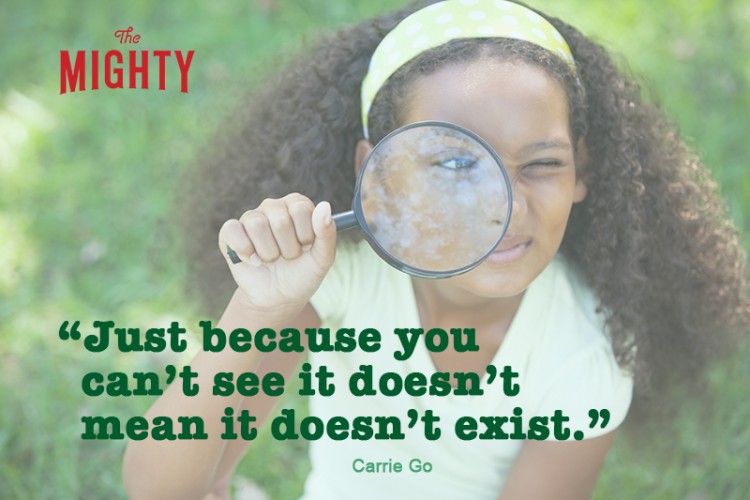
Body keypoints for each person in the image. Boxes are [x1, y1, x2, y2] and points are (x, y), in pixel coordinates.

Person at [122, 1, 750, 499]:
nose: (503, 206)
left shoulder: (583, 355)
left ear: (582, 171)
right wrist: (259, 310)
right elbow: (162, 487)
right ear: (380, 174)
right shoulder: (339, 277)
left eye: (542, 164)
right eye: (454, 163)